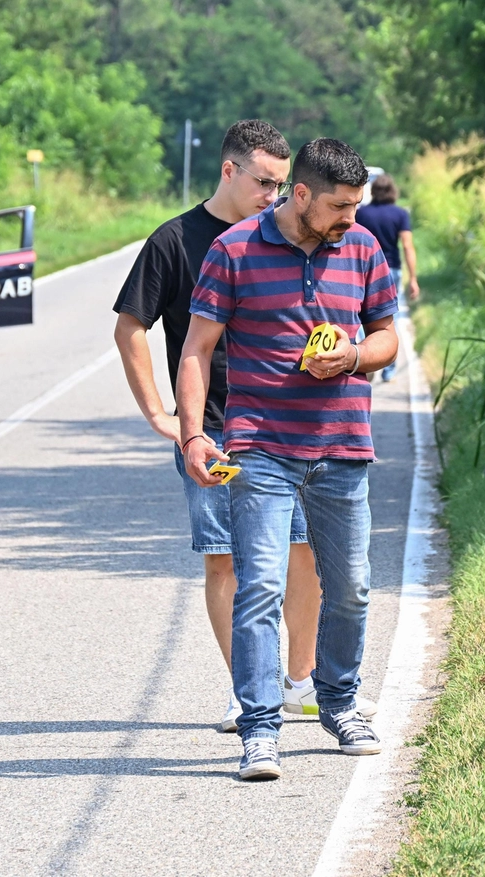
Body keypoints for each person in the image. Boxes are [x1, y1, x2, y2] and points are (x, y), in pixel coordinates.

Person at [111, 121, 375, 734]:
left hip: (294, 425)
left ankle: (301, 680)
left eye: (283, 185)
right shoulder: (176, 241)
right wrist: (162, 414)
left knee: (306, 554)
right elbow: (132, 328)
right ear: (229, 171)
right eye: (264, 182)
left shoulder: (296, 237)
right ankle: (245, 691)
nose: (274, 195)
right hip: (215, 427)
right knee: (226, 561)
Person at [178, 138, 399, 781]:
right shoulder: (234, 250)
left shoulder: (360, 247)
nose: (350, 219)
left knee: (352, 588)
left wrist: (353, 357)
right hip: (260, 446)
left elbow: (386, 333)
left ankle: (339, 704)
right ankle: (260, 727)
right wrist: (193, 435)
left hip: (342, 444)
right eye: (337, 206)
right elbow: (197, 348)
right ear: (300, 194)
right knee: (261, 587)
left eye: (356, 206)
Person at [355, 174, 419, 382]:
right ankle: (388, 370)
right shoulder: (400, 214)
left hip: (364, 268)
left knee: (365, 317)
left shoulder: (362, 213)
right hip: (391, 269)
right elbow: (408, 246)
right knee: (390, 319)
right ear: (393, 191)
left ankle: (367, 360)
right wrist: (413, 278)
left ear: (372, 191)